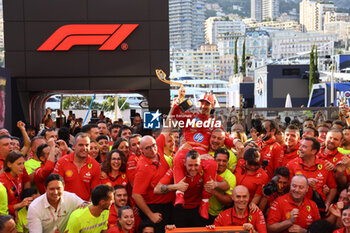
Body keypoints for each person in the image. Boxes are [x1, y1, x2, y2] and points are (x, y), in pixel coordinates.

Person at [154, 150, 228, 227]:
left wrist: (215, 184)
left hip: (198, 210)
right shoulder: (176, 170)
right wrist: (176, 186)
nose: (193, 168)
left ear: (200, 164)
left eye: (196, 165)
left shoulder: (205, 170)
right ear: (185, 163)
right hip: (179, 208)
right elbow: (157, 189)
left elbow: (226, 185)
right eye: (190, 165)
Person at [132, 136, 173, 233]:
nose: (152, 149)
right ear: (142, 150)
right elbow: (136, 195)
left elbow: (165, 131)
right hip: (155, 208)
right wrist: (151, 215)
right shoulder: (142, 167)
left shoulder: (158, 148)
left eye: (154, 145)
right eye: (148, 148)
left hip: (169, 205)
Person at [286, 137, 337, 211]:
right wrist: (305, 182)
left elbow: (333, 188)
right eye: (300, 145)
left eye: (304, 147)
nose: (299, 148)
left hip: (319, 208)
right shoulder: (291, 165)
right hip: (296, 208)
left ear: (313, 151)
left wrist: (327, 203)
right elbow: (286, 187)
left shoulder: (325, 166)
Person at [53, 132, 101, 201]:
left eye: (87, 145)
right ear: (74, 146)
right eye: (81, 145)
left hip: (84, 207)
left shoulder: (96, 166)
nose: (84, 148)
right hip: (64, 206)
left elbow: (94, 192)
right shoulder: (62, 162)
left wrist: (87, 208)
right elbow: (55, 187)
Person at [208, 148, 236, 223]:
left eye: (224, 161)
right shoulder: (207, 168)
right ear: (214, 160)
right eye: (218, 160)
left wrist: (213, 192)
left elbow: (229, 201)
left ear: (227, 162)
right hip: (201, 211)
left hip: (219, 214)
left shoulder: (231, 177)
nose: (221, 163)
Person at [0, 151, 31, 215]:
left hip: (17, 212)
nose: (22, 167)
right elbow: (2, 208)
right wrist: (19, 205)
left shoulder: (19, 174)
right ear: (9, 164)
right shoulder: (2, 181)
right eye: (19, 164)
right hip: (5, 217)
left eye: (23, 163)